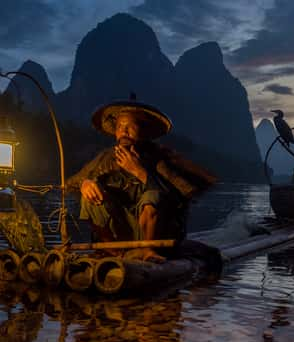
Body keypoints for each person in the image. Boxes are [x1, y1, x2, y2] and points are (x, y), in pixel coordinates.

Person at [66, 100, 216, 262]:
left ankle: (147, 250)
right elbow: (71, 184)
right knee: (90, 197)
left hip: (157, 235)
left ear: (143, 132)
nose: (124, 131)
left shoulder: (159, 158)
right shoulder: (106, 159)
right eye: (119, 127)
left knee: (153, 195)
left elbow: (184, 195)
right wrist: (85, 184)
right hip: (122, 235)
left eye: (131, 126)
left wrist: (139, 171)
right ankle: (110, 250)